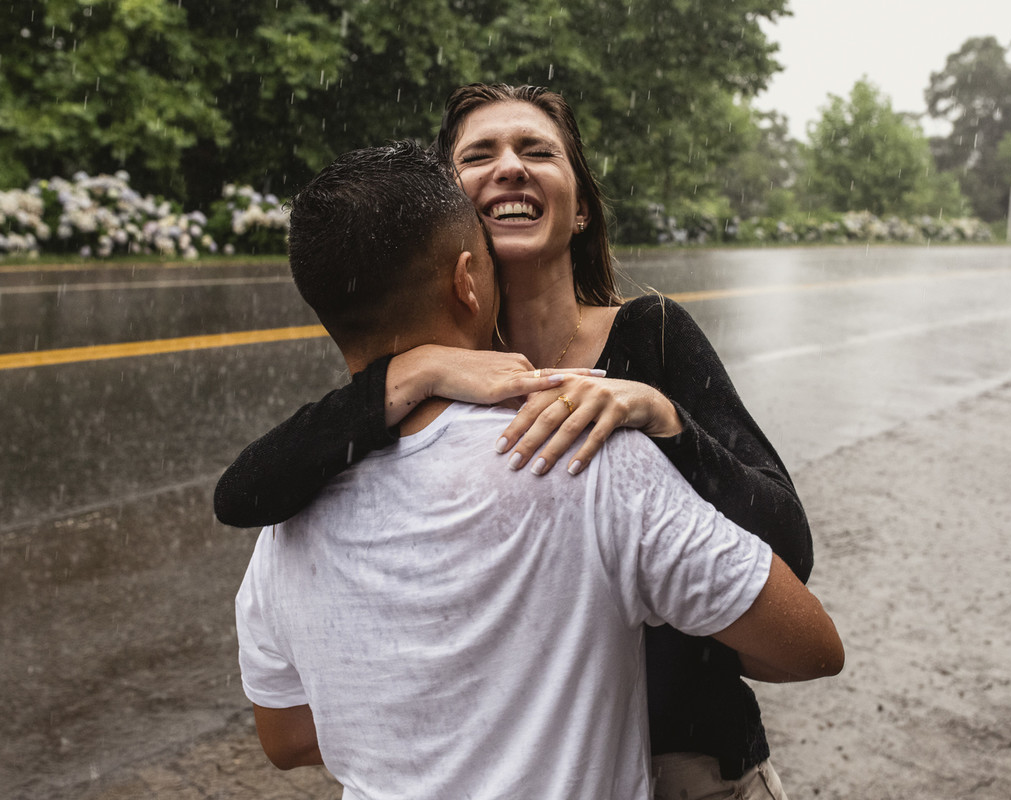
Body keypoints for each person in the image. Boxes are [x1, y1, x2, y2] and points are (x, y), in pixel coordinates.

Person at [217, 84, 814, 797]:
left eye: (538, 151)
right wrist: (417, 371)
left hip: (692, 762)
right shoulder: (422, 374)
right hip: (528, 765)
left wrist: (666, 421)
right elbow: (249, 491)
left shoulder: (652, 333)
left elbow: (789, 552)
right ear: (447, 211)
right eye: (479, 155)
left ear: (581, 206)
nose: (510, 167)